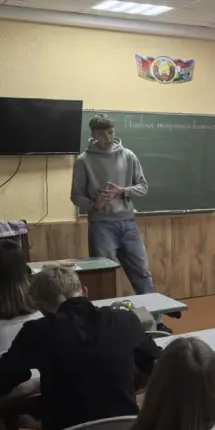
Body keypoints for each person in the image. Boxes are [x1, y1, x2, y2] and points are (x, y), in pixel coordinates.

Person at [0, 267, 161, 430]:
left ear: (40, 306)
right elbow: (156, 365)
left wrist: (34, 385)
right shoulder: (125, 320)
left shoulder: (36, 332)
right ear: (84, 291)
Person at [71, 114, 154, 295]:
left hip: (128, 224)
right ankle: (105, 311)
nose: (107, 138)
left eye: (110, 132)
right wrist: (95, 204)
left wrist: (122, 191)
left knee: (142, 272)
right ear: (93, 135)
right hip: (101, 226)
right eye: (102, 134)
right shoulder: (83, 161)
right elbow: (76, 196)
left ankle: (155, 312)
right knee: (103, 276)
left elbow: (143, 187)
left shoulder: (128, 156)